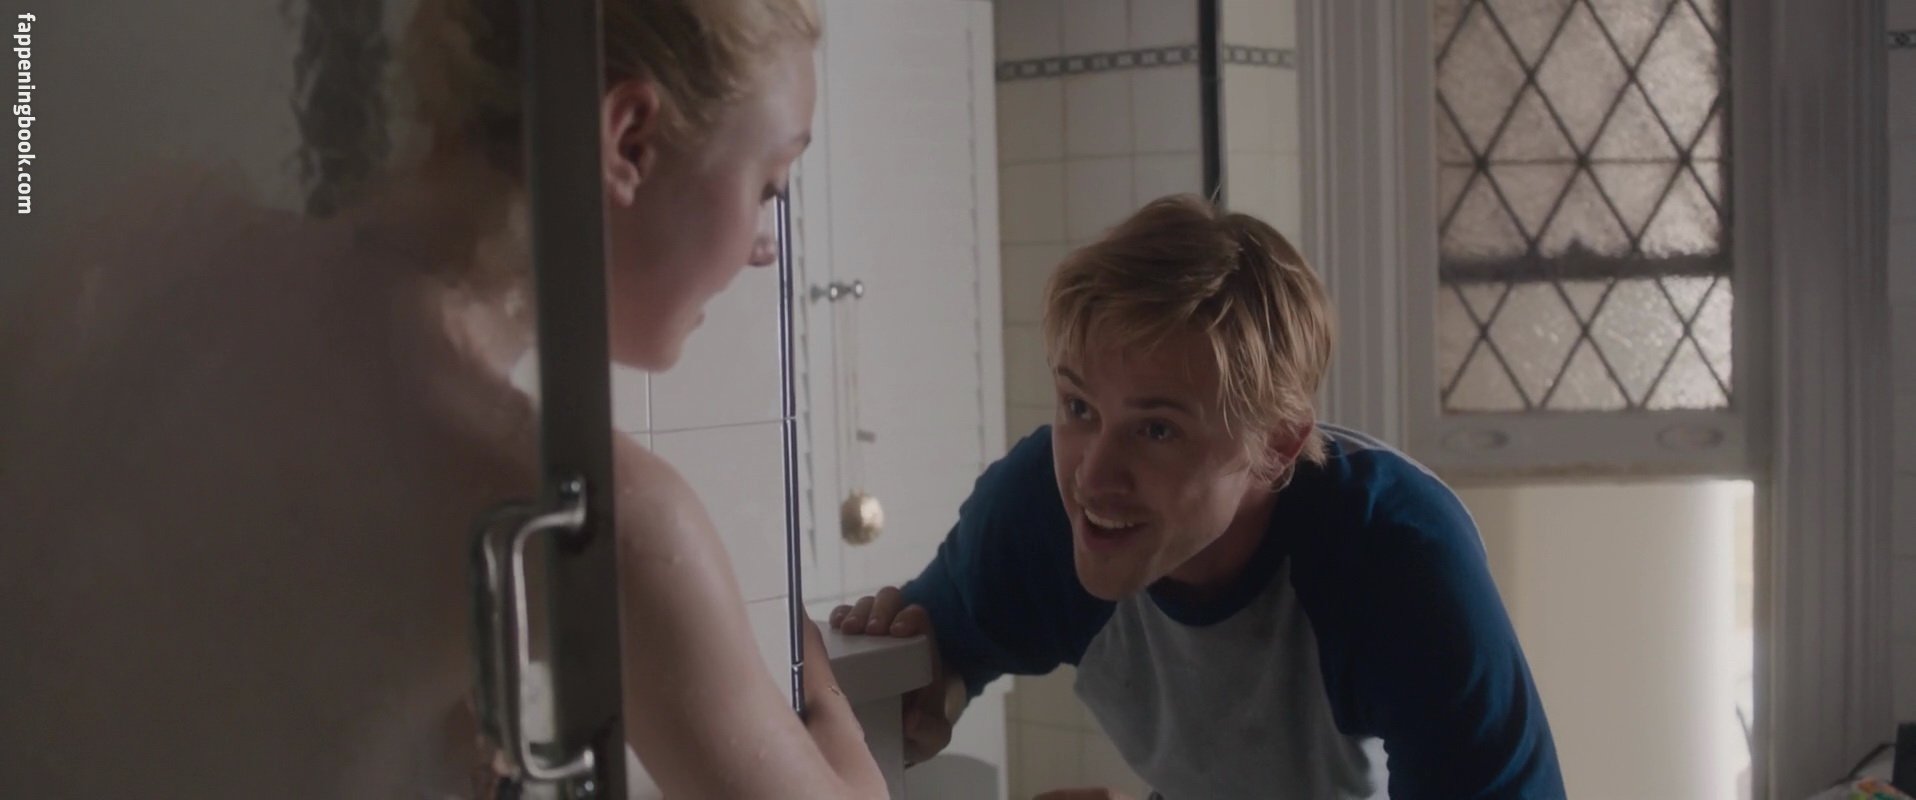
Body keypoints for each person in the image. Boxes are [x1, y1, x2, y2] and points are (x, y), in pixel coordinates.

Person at [0, 0, 885, 798]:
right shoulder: (585, 513)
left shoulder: (156, 245)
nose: (765, 247)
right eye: (770, 185)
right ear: (628, 141)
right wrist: (821, 688)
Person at [832, 195, 1565, 799]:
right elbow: (947, 650)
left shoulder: (1397, 558)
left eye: (1157, 429)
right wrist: (926, 694)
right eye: (1079, 407)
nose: (1093, 477)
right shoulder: (1038, 508)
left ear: (1276, 446)